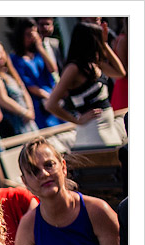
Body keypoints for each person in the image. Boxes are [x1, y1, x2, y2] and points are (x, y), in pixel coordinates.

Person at [44, 21, 127, 149]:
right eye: (98, 39)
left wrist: (104, 45)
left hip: (109, 129)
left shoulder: (95, 63)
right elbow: (50, 104)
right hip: (93, 133)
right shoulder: (74, 69)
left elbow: (120, 73)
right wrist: (76, 120)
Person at [10, 18, 62, 129]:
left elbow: (53, 69)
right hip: (39, 104)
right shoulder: (15, 59)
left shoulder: (39, 53)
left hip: (53, 97)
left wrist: (40, 47)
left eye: (34, 33)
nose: (32, 37)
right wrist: (47, 96)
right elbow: (27, 84)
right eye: (28, 35)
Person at [0, 40, 39, 137]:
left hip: (28, 120)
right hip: (15, 124)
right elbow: (3, 100)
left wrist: (30, 110)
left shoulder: (12, 74)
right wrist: (24, 112)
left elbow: (24, 92)